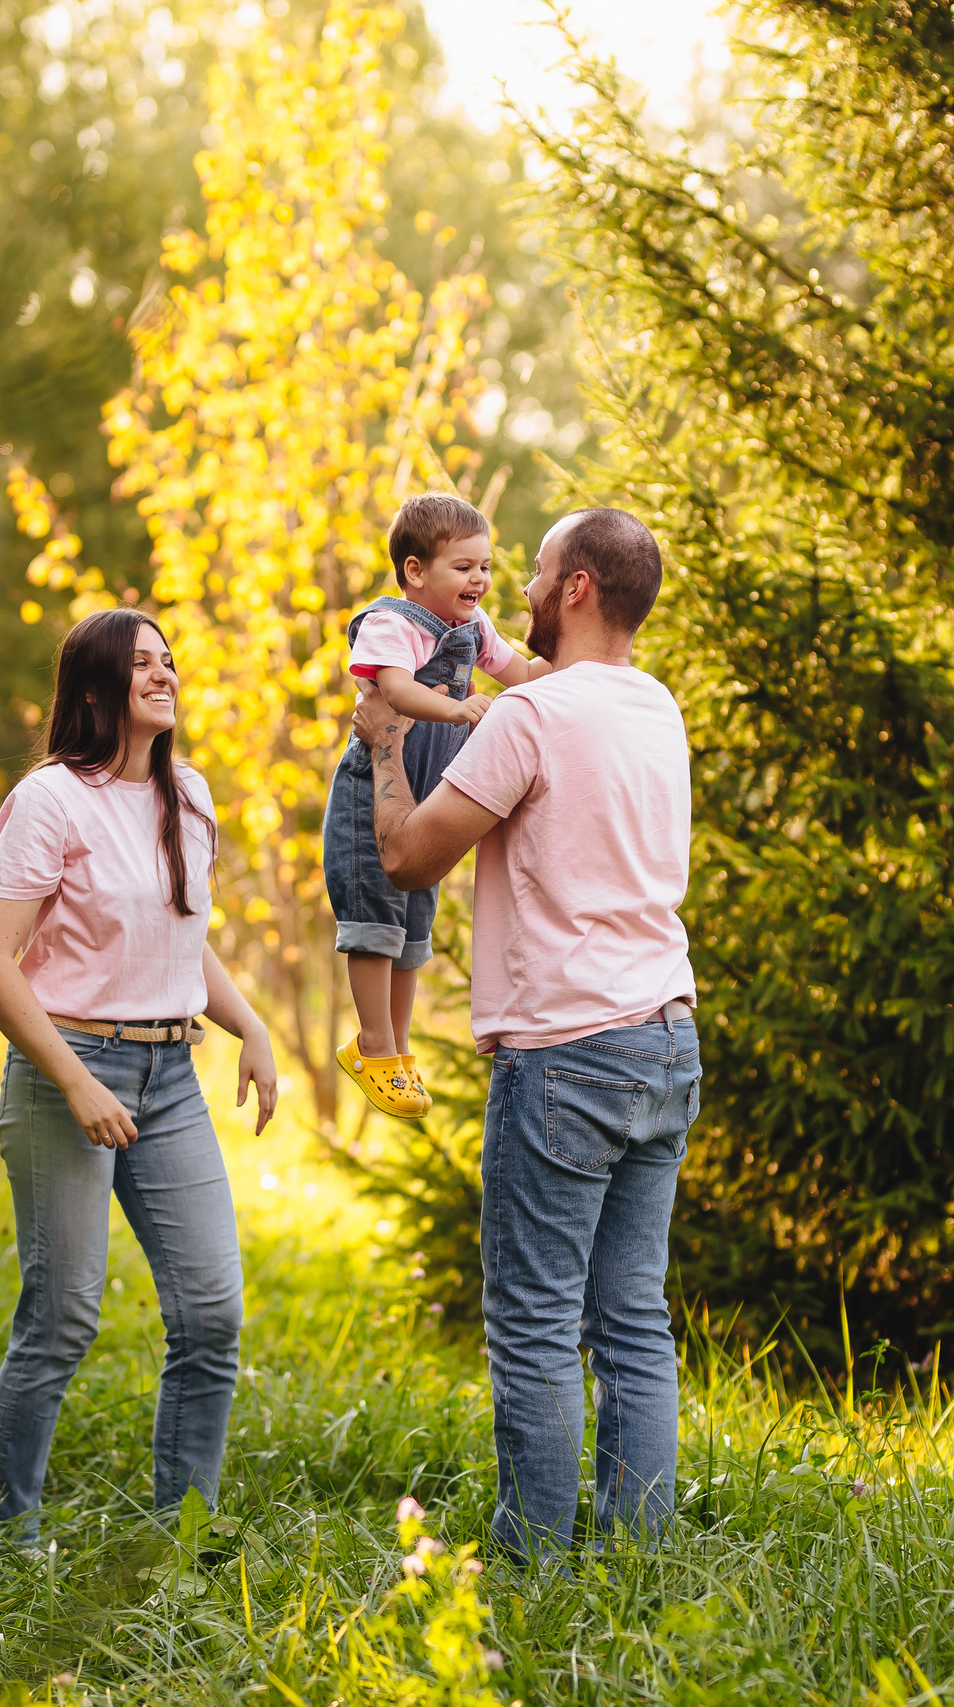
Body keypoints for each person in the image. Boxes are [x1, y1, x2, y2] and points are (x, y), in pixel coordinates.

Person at [350, 507, 698, 1565]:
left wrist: (383, 752)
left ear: (580, 588)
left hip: (565, 1056)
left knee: (538, 1325)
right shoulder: (656, 707)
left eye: (538, 575)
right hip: (667, 1040)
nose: (518, 597)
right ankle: (638, 1560)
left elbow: (410, 858)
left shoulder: (532, 719)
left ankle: (535, 1565)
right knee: (634, 1319)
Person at [0, 606, 280, 1548]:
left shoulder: (192, 791)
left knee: (212, 1311)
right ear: (96, 687)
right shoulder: (52, 799)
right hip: (74, 1066)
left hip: (172, 1075)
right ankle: (6, 1533)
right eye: (142, 663)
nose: (164, 674)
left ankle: (182, 1531)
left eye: (169, 660)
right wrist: (74, 1082)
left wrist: (251, 1025)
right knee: (61, 1317)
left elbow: (182, 935)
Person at [322, 493, 543, 1121]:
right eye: (464, 567)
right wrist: (456, 707)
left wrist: (568, 671)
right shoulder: (390, 623)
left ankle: (396, 1047)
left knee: (414, 926)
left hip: (424, 795)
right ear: (416, 571)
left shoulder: (475, 629)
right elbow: (393, 689)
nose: (479, 579)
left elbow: (519, 670)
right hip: (374, 796)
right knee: (374, 919)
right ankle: (374, 1045)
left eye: (486, 567)